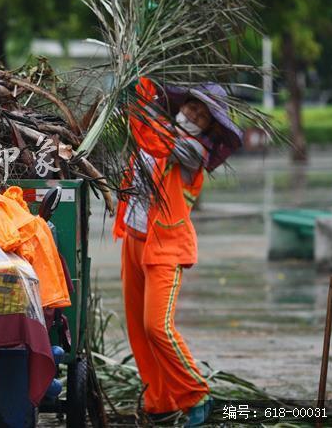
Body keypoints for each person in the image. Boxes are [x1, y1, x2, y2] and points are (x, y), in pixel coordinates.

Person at [113, 77, 243, 427]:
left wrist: (136, 91)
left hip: (166, 248)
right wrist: (134, 81)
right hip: (135, 240)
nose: (194, 115)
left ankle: (198, 393)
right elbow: (141, 133)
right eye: (191, 106)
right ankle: (160, 403)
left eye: (202, 116)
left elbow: (150, 136)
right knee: (139, 330)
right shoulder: (160, 130)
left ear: (208, 129)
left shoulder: (191, 151)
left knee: (158, 327)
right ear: (181, 105)